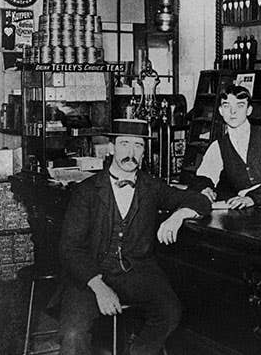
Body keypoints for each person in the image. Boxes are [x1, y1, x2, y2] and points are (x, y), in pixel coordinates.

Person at [58, 118, 211, 355]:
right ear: (111, 148)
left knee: (170, 313)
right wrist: (98, 287)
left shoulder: (151, 186)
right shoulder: (86, 191)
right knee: (73, 334)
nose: (131, 153)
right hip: (90, 274)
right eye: (124, 144)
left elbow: (198, 200)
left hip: (137, 272)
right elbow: (70, 248)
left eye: (138, 146)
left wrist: (178, 216)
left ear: (144, 151)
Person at [194, 85, 261, 208]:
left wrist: (251, 198)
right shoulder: (218, 146)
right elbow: (204, 177)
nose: (233, 112)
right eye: (227, 106)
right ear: (221, 111)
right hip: (245, 210)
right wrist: (205, 189)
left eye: (240, 105)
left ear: (249, 110)